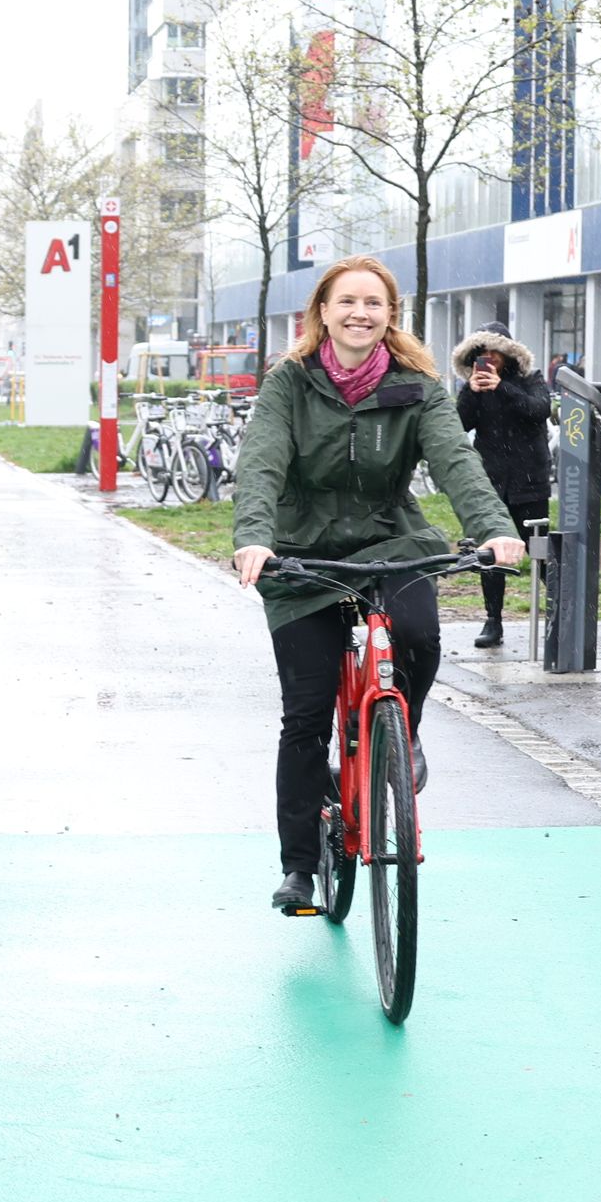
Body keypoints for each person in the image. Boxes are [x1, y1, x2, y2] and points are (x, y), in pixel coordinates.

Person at [233, 256, 524, 918]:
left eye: (374, 302)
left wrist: (493, 528)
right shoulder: (289, 385)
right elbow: (262, 461)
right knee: (305, 717)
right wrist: (255, 536)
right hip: (302, 556)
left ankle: (401, 732)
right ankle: (301, 866)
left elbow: (457, 462)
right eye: (348, 302)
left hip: (391, 542)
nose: (360, 313)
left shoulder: (416, 387)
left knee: (419, 632)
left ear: (390, 314)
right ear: (323, 312)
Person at [449, 329, 551, 652]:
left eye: (494, 352)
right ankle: (493, 620)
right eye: (482, 352)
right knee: (490, 555)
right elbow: (458, 424)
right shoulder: (475, 388)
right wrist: (470, 390)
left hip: (529, 483)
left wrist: (502, 388)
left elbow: (539, 410)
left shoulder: (529, 380)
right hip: (491, 484)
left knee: (541, 552)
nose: (489, 358)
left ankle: (562, 613)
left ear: (508, 354)